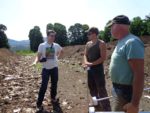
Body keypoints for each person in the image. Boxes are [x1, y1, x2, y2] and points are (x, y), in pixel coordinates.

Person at [107, 15, 145, 113]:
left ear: (118, 26)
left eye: (111, 26)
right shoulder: (122, 41)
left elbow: (139, 74)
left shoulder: (132, 42)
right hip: (118, 89)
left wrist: (134, 104)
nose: (110, 29)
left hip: (125, 92)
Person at [32, 30, 63, 111]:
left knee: (54, 84)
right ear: (47, 36)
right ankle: (39, 103)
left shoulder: (56, 45)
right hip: (45, 69)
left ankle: (53, 98)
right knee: (44, 86)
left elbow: (61, 51)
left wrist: (57, 58)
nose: (53, 37)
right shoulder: (42, 45)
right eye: (51, 36)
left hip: (54, 68)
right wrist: (35, 62)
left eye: (54, 36)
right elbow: (38, 56)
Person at [83, 27, 111, 111]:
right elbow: (84, 55)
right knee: (91, 87)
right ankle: (96, 102)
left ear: (94, 34)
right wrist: (86, 63)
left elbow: (103, 58)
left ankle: (106, 107)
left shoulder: (101, 43)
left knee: (101, 88)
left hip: (98, 69)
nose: (88, 35)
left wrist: (91, 64)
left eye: (89, 34)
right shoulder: (88, 44)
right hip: (90, 69)